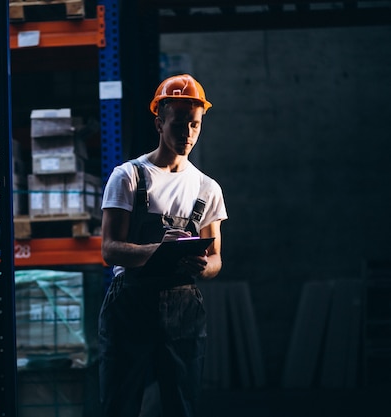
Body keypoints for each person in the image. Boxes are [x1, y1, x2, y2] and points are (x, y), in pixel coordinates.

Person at [98, 74, 228, 417]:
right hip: (131, 304)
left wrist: (205, 266)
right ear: (159, 122)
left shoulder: (207, 188)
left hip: (183, 308)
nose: (187, 134)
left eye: (195, 125)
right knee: (119, 404)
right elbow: (110, 249)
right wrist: (158, 250)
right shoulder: (128, 177)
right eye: (179, 124)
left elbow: (216, 260)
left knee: (181, 406)